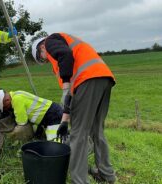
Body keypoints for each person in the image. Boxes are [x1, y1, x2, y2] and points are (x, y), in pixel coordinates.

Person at [31, 33, 116, 183]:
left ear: (41, 48)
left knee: (78, 134)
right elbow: (71, 96)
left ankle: (79, 180)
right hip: (104, 78)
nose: (47, 60)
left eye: (43, 58)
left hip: (87, 80)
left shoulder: (50, 41)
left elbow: (65, 56)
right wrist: (64, 121)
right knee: (97, 130)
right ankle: (106, 174)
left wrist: (65, 88)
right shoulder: (67, 46)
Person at [0, 89, 64, 141]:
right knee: (40, 138)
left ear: (7, 100)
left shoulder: (16, 100)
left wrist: (13, 131)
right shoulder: (16, 93)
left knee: (54, 141)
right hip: (49, 113)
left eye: (5, 107)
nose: (7, 109)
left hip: (52, 115)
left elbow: (22, 122)